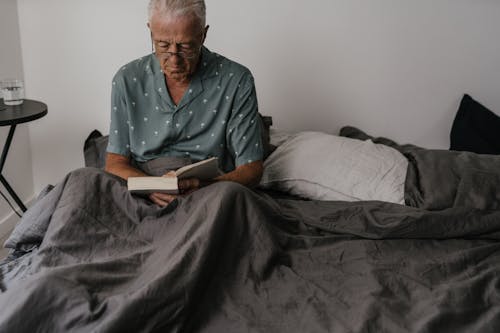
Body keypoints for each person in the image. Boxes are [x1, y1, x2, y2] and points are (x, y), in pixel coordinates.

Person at [105, 0, 264, 207]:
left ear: (203, 35)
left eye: (186, 47)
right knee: (81, 182)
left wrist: (204, 187)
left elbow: (251, 168)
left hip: (209, 192)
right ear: (150, 32)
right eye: (163, 45)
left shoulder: (236, 80)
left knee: (230, 203)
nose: (174, 59)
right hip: (142, 189)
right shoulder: (127, 79)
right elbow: (115, 163)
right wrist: (151, 187)